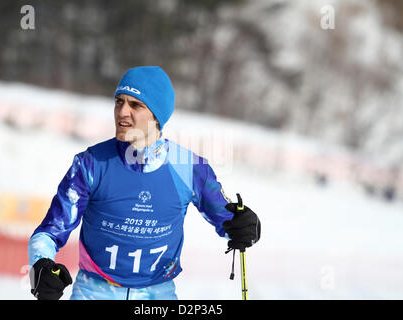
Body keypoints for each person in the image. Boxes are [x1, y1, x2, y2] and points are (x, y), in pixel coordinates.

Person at [28, 66, 261, 300]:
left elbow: (233, 224)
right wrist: (42, 264)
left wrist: (246, 226)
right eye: (119, 102)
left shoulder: (188, 168)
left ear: (157, 115)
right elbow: (50, 231)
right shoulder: (92, 164)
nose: (122, 112)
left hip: (156, 296)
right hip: (94, 292)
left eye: (135, 105)